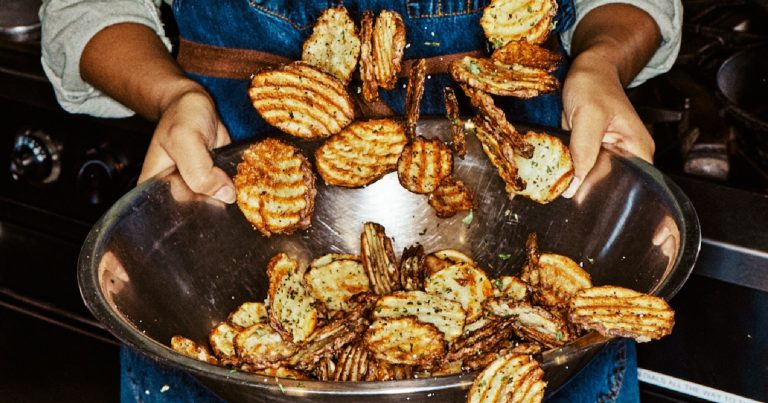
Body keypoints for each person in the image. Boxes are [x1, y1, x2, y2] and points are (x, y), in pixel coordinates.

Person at [40, 0, 682, 401]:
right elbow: (86, 11)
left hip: (531, 237)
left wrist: (601, 61)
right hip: (230, 251)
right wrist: (170, 96)